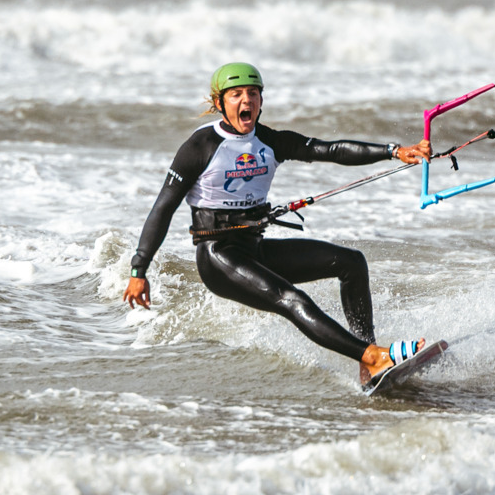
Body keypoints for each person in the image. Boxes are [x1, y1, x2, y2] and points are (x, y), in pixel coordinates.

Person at [123, 62, 430, 385]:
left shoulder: (269, 141)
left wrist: (394, 151)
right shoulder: (199, 148)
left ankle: (368, 365)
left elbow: (330, 149)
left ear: (261, 101)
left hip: (254, 249)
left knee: (351, 262)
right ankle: (372, 354)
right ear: (219, 104)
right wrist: (138, 270)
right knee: (291, 299)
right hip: (218, 256)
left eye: (253, 94)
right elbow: (162, 209)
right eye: (236, 95)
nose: (246, 101)